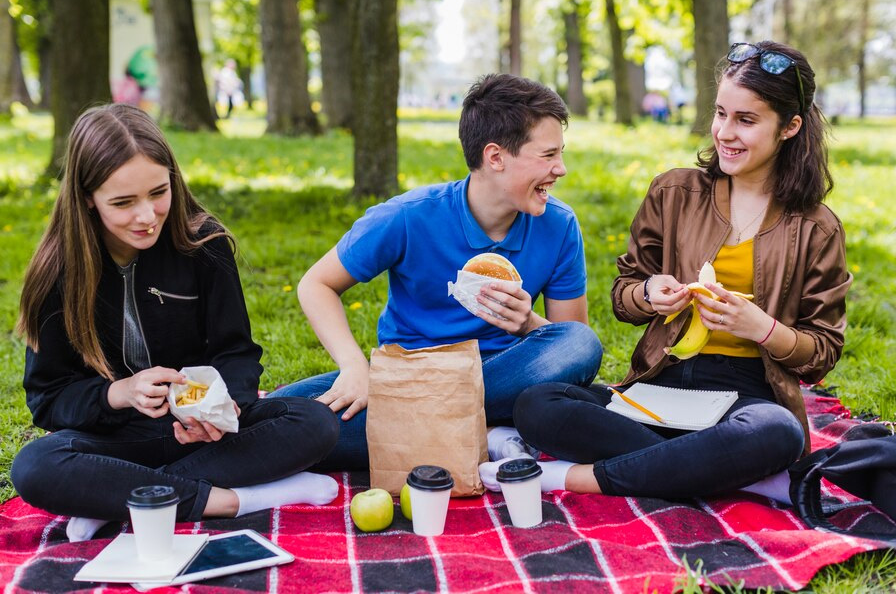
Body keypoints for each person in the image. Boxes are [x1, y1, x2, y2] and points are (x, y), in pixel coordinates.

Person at [497, 42, 852, 499]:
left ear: (790, 126)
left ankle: (572, 478)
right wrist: (649, 293)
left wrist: (761, 328)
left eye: (746, 120)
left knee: (777, 431)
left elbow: (821, 353)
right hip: (659, 383)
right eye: (720, 113)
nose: (724, 132)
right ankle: (724, 471)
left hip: (744, 397)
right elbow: (623, 296)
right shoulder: (674, 193)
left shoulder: (816, 228)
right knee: (537, 403)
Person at [11, 104, 340, 542]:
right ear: (87, 197)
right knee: (34, 467)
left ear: (173, 179)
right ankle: (236, 500)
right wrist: (119, 393)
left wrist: (226, 405)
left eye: (158, 192)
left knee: (315, 422)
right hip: (119, 436)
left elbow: (235, 351)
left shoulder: (204, 244)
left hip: (205, 434)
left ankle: (115, 497)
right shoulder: (57, 272)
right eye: (123, 203)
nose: (147, 216)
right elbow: (48, 398)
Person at [270, 74, 602, 471]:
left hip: (504, 375)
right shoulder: (408, 216)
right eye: (548, 155)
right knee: (278, 414)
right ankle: (487, 433)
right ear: (495, 157)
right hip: (408, 376)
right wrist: (354, 367)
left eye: (560, 154)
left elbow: (572, 345)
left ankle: (433, 431)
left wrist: (527, 323)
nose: (560, 169)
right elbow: (316, 284)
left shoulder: (559, 225)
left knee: (581, 343)